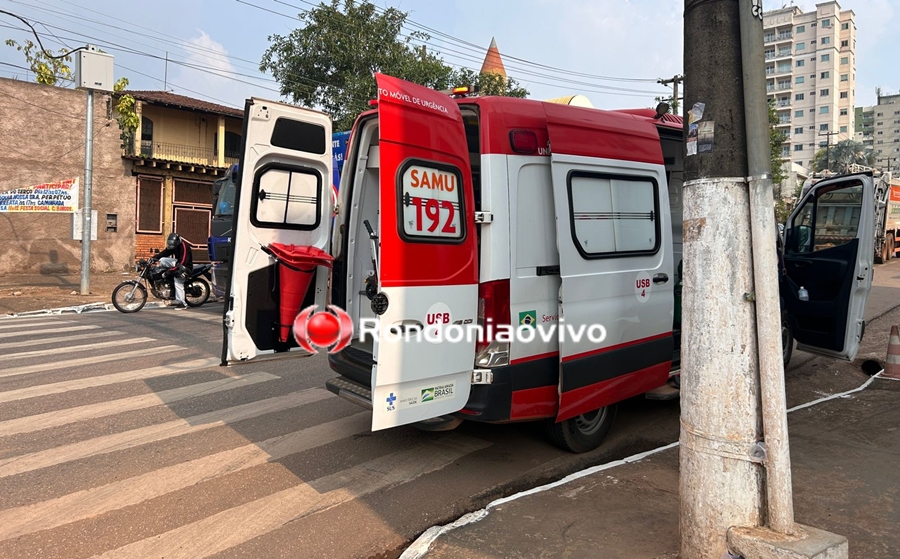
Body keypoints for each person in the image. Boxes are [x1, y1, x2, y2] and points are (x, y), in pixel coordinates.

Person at [153, 232, 193, 309]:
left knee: (178, 280)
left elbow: (183, 262)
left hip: (185, 267)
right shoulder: (174, 245)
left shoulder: (184, 247)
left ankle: (182, 303)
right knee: (162, 260)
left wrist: (169, 271)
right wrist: (154, 258)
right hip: (178, 263)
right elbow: (165, 252)